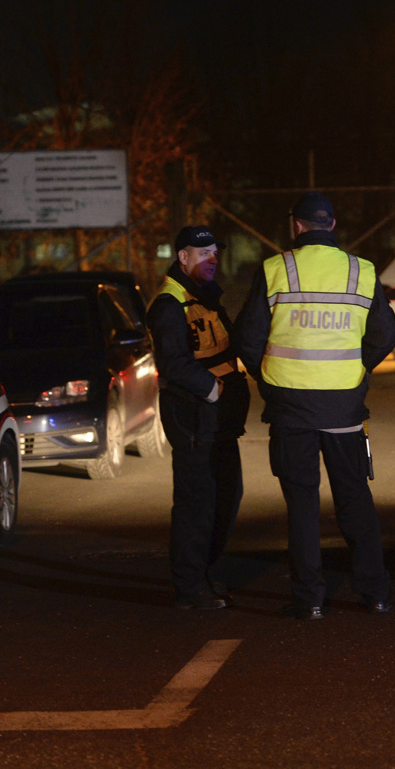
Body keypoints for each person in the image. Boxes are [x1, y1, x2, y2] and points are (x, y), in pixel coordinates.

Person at [235, 192, 395, 621]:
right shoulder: (360, 271)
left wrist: (269, 377)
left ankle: (309, 599)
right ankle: (375, 593)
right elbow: (385, 334)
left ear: (297, 226)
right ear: (333, 223)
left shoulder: (276, 269)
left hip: (291, 409)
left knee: (302, 505)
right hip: (344, 408)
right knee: (355, 499)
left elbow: (248, 337)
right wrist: (357, 371)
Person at [147, 226, 250, 610]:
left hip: (217, 419)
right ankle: (190, 587)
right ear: (182, 257)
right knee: (197, 504)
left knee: (226, 494)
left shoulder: (204, 297)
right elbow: (174, 363)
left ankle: (202, 573)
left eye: (215, 253)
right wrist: (214, 391)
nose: (212, 260)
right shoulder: (169, 304)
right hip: (194, 417)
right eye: (202, 253)